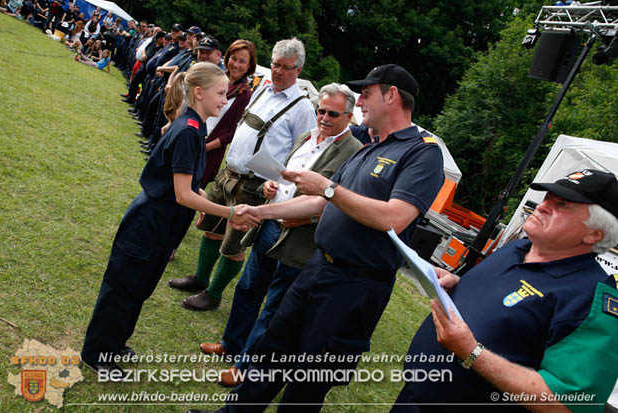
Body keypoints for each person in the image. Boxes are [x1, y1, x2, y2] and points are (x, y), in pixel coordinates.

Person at [186, 64, 445, 413]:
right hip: (317, 268)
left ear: (392, 95)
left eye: (366, 94)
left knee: (308, 382)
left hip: (355, 286)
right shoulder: (369, 147)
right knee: (269, 356)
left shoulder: (422, 152)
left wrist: (328, 187)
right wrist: (258, 212)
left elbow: (394, 218)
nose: (361, 102)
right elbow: (321, 201)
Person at [80, 62, 259, 377]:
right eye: (220, 93)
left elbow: (189, 185)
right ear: (199, 93)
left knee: (139, 289)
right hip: (150, 223)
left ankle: (115, 342)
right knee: (122, 290)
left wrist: (202, 198)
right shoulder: (189, 131)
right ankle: (97, 354)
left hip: (162, 224)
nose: (224, 99)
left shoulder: (195, 126)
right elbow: (181, 194)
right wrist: (230, 212)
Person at [389, 169, 618, 413]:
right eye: (547, 197)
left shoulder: (592, 298)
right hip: (413, 397)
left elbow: (568, 405)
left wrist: (472, 353)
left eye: (562, 205)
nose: (542, 207)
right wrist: (457, 282)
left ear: (593, 234)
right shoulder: (519, 247)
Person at [198, 83, 363, 387]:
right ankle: (232, 345)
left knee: (274, 305)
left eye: (333, 113)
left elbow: (338, 202)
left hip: (300, 240)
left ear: (350, 117)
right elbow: (283, 175)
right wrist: (268, 188)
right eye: (321, 110)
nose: (324, 117)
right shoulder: (306, 136)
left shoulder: (354, 153)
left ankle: (246, 366)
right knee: (249, 289)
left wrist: (305, 218)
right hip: (270, 226)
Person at [174, 37, 317, 312]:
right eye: (276, 64)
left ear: (298, 70)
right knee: (212, 230)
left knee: (234, 242)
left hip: (256, 184)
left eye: (286, 67)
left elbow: (304, 153)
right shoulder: (262, 89)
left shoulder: (303, 109)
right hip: (229, 173)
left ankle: (213, 294)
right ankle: (200, 279)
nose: (278, 71)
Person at [162, 39, 257, 260]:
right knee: (172, 186)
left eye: (243, 61)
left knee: (190, 195)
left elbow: (231, 133)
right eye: (234, 58)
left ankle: (171, 244)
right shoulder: (214, 77)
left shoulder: (245, 95)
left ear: (250, 65)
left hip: (209, 151)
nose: (236, 64)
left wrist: (205, 146)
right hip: (190, 136)